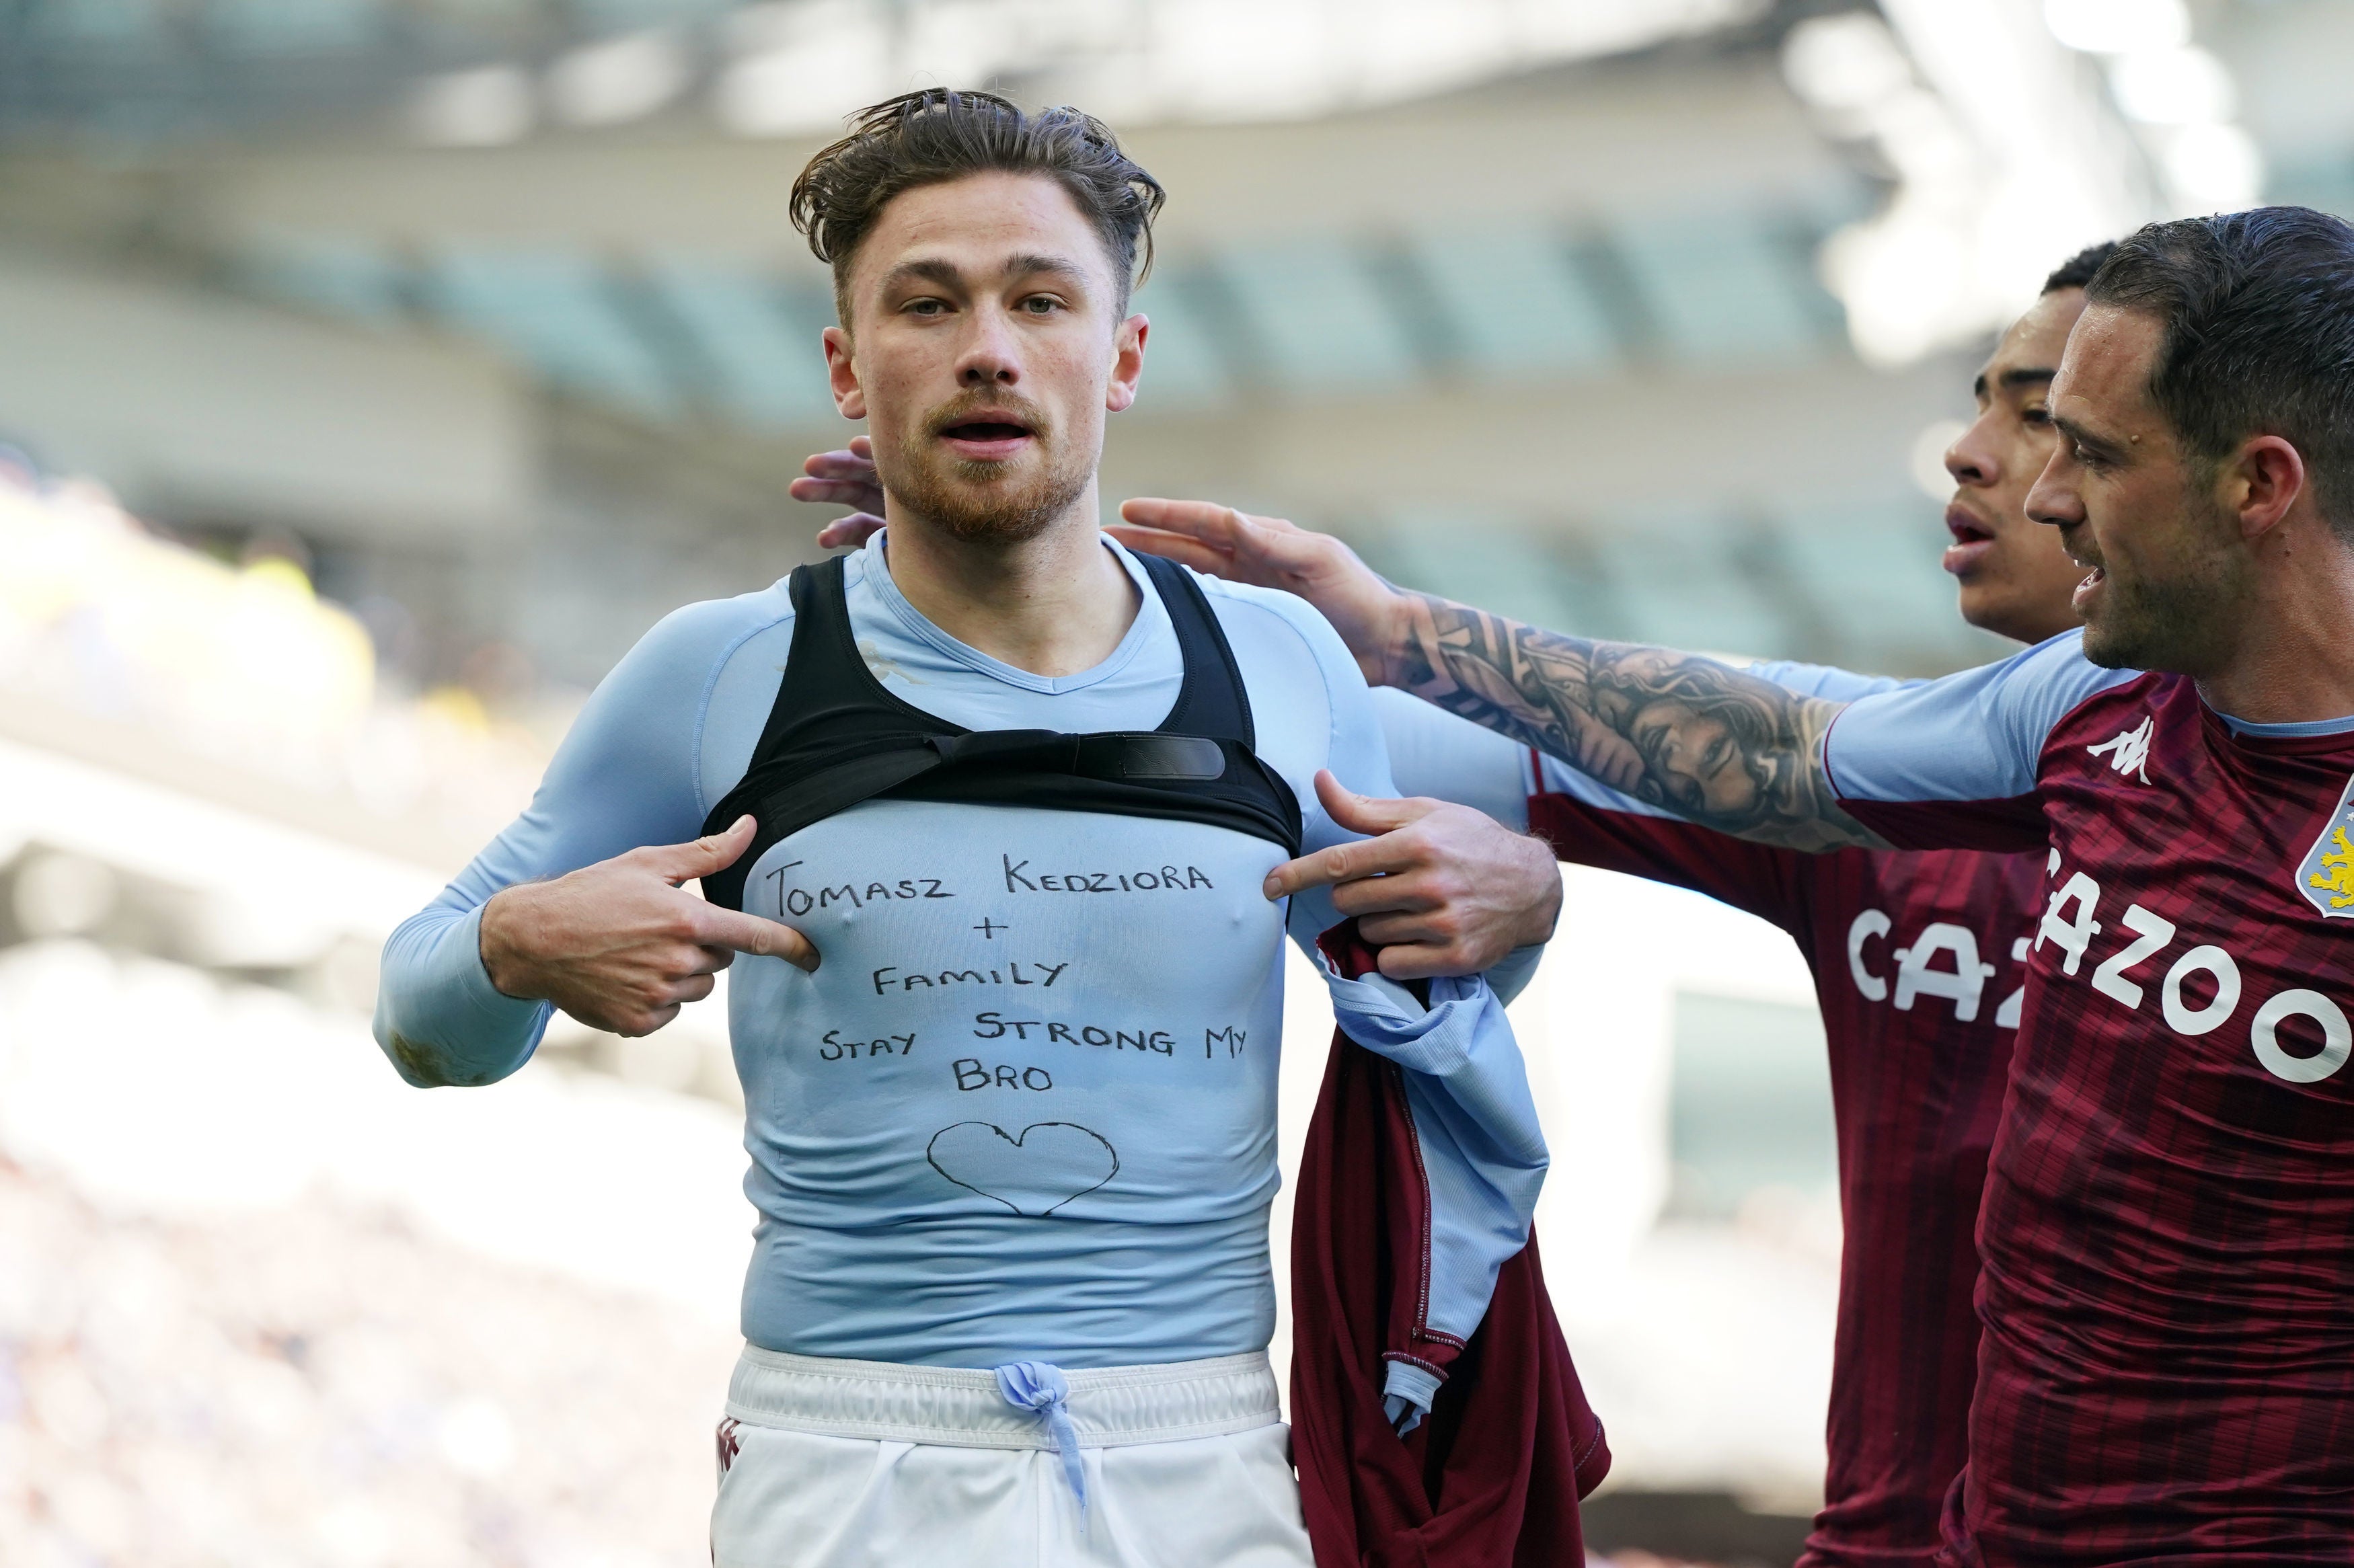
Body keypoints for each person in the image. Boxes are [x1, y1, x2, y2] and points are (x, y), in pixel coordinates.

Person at [371, 91, 1568, 1568]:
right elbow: (421, 1019)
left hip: (1199, 1455)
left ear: (1120, 357)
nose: (987, 345)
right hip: (847, 1455)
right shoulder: (723, 668)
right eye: (926, 304)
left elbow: (1443, 951)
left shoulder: (1282, 664)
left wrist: (1529, 898)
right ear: (848, 370)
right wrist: (518, 941)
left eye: (1040, 299)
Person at [809, 244, 2117, 1566]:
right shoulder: (1862, 784)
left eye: (2041, 412)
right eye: (1989, 401)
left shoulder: (2315, 836)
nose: (1969, 450)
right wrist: (1018, 598)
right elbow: (1335, 756)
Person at [1111, 210, 2354, 1564]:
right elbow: (1780, 737)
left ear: (2258, 484)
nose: (2045, 487)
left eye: (2092, 451)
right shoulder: (2086, 707)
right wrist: (1072, 610)